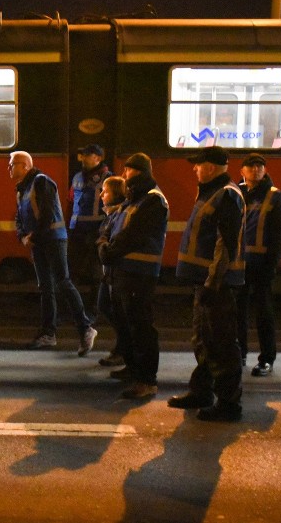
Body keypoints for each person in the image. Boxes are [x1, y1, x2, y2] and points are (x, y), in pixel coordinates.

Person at [169, 146, 246, 422]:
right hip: (205, 281)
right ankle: (201, 391)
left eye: (198, 165)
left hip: (217, 283)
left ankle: (228, 404)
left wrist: (213, 284)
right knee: (203, 339)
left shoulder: (226, 194)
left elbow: (225, 244)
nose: (194, 169)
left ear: (211, 167)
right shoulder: (211, 191)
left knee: (222, 342)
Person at [10, 151, 97, 354]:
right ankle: (49, 333)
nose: (9, 168)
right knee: (46, 287)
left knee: (62, 282)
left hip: (54, 239)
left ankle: (86, 328)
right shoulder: (22, 189)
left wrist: (32, 236)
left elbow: (47, 213)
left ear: (25, 165)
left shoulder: (41, 182)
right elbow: (19, 217)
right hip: (40, 242)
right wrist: (23, 235)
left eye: (12, 164)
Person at [97, 153, 169, 399]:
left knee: (141, 327)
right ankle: (133, 368)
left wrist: (108, 251)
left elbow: (133, 235)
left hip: (140, 273)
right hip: (123, 271)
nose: (124, 175)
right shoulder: (133, 199)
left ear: (137, 172)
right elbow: (110, 226)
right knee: (126, 323)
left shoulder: (152, 200)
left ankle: (147, 379)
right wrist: (105, 244)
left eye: (128, 171)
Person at [236, 153, 281, 377]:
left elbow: (279, 235)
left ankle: (267, 359)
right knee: (238, 311)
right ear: (242, 171)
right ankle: (240, 354)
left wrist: (271, 265)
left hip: (261, 265)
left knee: (263, 313)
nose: (256, 170)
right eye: (251, 166)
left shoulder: (275, 196)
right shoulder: (236, 194)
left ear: (265, 171)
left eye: (260, 166)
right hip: (238, 264)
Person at [67, 144, 112, 319]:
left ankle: (94, 310)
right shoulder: (77, 177)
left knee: (96, 274)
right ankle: (74, 310)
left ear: (98, 158)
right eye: (83, 155)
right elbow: (71, 200)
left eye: (88, 155)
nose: (84, 158)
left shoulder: (108, 178)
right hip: (77, 230)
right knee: (72, 271)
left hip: (97, 231)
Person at [95, 175, 127, 368]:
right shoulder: (112, 213)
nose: (101, 195)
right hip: (109, 272)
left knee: (113, 310)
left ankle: (124, 348)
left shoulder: (119, 214)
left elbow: (107, 240)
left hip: (115, 272)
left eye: (105, 192)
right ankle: (123, 346)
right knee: (106, 306)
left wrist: (102, 244)